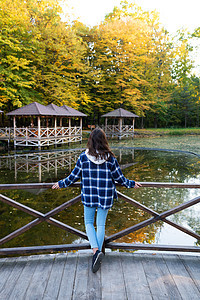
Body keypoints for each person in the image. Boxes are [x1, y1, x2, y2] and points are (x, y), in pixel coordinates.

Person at [52, 127, 141, 273]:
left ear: (91, 141)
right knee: (101, 225)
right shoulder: (110, 158)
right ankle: (97, 253)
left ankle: (95, 252)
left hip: (88, 195)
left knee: (88, 223)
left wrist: (61, 183)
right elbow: (120, 178)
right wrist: (132, 184)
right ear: (104, 141)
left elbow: (73, 177)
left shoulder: (83, 157)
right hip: (105, 196)